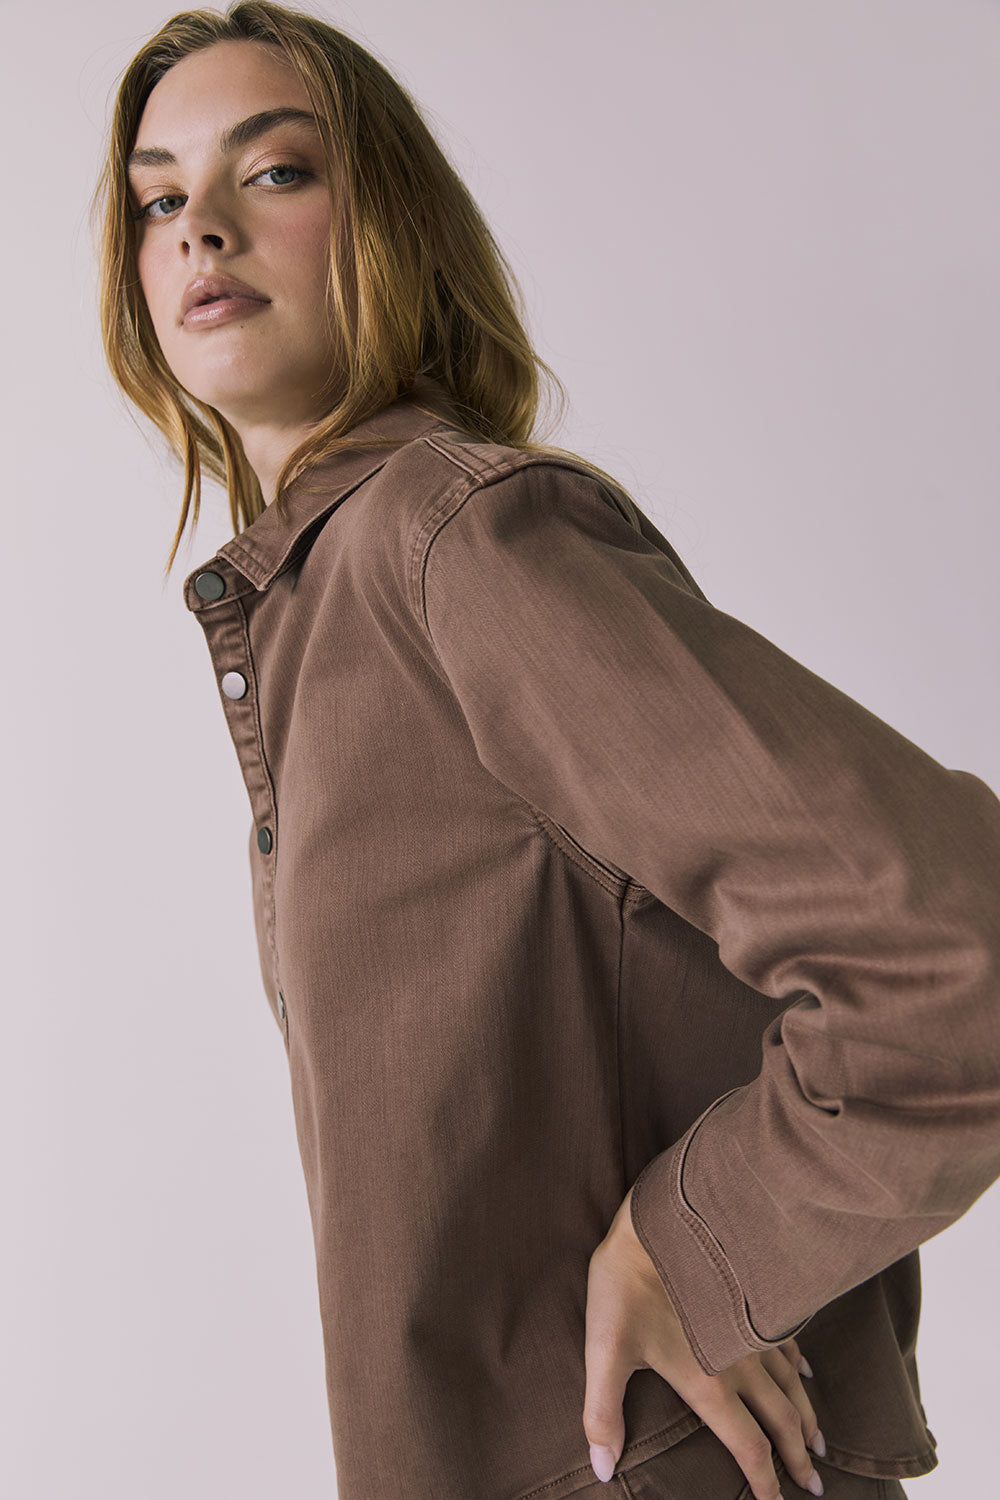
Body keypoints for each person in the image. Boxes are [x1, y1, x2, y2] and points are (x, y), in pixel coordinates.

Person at [90, 5, 1000, 1498]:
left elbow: (956, 957)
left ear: (386, 221)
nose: (198, 231)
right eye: (157, 198)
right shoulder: (316, 605)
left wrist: (694, 1250)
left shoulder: (451, 542)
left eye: (273, 174)